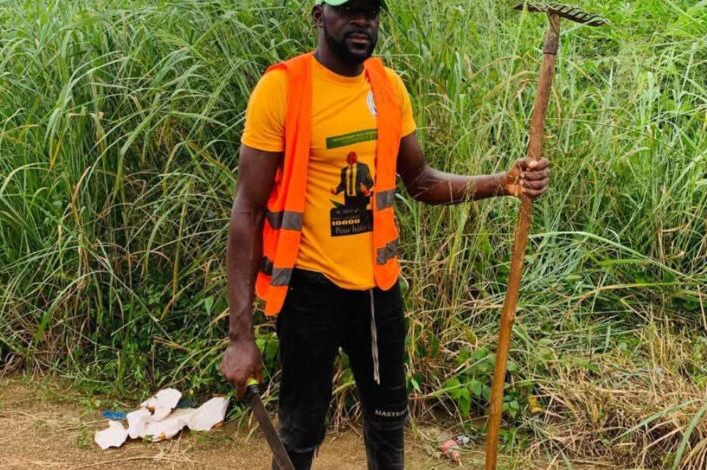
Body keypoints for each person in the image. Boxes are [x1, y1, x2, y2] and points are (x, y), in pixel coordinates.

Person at [221, 0, 550, 469]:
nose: (363, 21)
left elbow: (420, 182)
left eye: (371, 11)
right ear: (318, 15)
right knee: (300, 430)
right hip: (309, 291)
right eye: (349, 10)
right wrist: (240, 335)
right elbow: (247, 210)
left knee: (388, 423)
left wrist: (503, 182)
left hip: (378, 290)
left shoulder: (388, 87)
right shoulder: (284, 89)